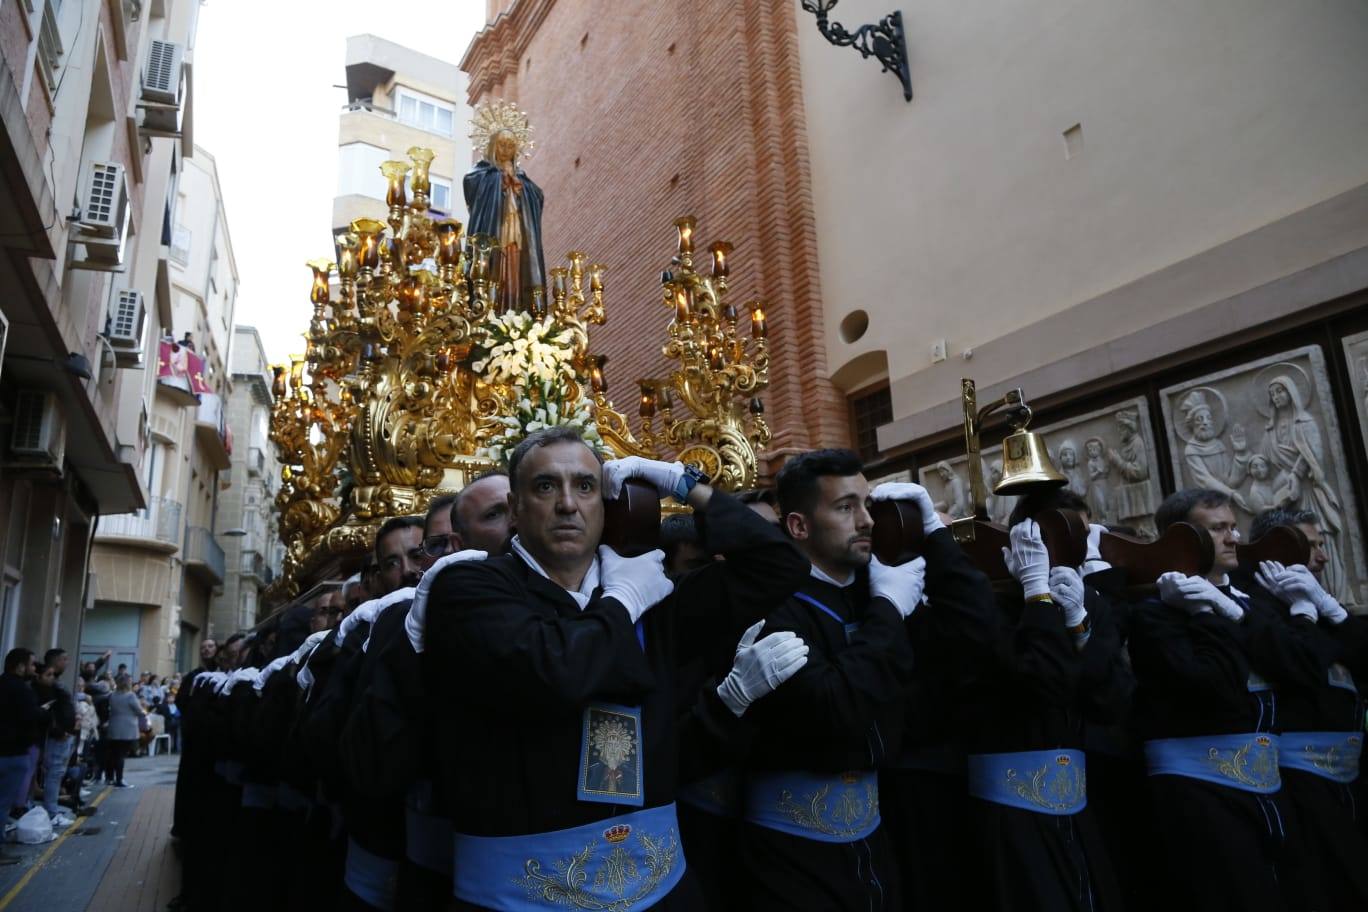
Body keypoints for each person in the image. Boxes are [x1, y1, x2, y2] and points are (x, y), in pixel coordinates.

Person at [425, 427, 808, 910]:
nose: (568, 504)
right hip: (527, 897)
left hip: (660, 887)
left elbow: (781, 565)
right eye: (546, 487)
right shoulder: (469, 588)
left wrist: (682, 483)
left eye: (585, 486)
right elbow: (558, 670)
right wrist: (621, 602)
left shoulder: (651, 591)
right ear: (517, 509)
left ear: (605, 505)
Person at [738, 450, 918, 911]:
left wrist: (933, 536)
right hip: (794, 852)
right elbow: (835, 706)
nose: (867, 522)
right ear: (798, 526)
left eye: (867, 504)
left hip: (877, 834)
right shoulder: (774, 606)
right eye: (845, 507)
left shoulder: (869, 589)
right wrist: (889, 612)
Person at [1128, 489, 1309, 910]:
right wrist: (1207, 614)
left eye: (1233, 527)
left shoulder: (1252, 600)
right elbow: (1209, 686)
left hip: (1270, 785)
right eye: (1217, 529)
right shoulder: (1156, 612)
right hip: (1200, 787)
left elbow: (1301, 668)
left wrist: (1231, 612)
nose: (1233, 538)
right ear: (1183, 540)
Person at [1240, 507, 1368, 908]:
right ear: (1276, 552)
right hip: (1299, 776)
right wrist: (1306, 614)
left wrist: (1329, 610)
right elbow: (1304, 665)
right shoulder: (1261, 607)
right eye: (1310, 546)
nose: (1323, 556)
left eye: (1321, 545)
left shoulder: (1318, 600)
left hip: (1352, 773)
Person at [464, 115, 547, 312]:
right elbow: (470, 183)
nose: (506, 150)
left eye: (511, 146)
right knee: (495, 260)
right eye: (502, 145)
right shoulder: (483, 173)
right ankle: (492, 306)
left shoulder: (522, 178)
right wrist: (500, 180)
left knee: (516, 262)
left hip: (517, 228)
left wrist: (519, 188)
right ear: (493, 146)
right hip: (495, 227)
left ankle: (518, 307)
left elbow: (538, 195)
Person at [2, 649, 49, 822]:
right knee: (5, 803)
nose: (34, 669)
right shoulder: (23, 690)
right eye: (31, 664)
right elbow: (30, 717)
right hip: (15, 752)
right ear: (21, 667)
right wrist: (43, 712)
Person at [34, 655, 77, 827]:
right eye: (64, 659)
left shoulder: (54, 687)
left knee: (57, 773)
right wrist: (59, 731)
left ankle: (51, 809)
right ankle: (51, 812)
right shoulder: (45, 691)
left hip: (63, 735)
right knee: (54, 773)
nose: (67, 662)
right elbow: (47, 714)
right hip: (56, 737)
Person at [105, 675, 146, 788]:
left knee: (113, 754)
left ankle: (109, 778)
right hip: (127, 728)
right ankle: (120, 779)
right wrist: (143, 711)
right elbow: (139, 711)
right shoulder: (131, 696)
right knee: (121, 755)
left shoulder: (112, 695)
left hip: (114, 726)